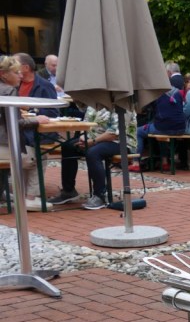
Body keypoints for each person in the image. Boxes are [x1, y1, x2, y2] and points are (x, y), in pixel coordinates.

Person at [51, 104, 138, 210]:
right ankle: (68, 191)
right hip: (95, 139)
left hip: (121, 142)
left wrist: (93, 141)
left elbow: (114, 133)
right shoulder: (94, 103)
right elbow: (86, 125)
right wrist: (83, 138)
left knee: (93, 152)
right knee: (67, 147)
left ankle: (99, 195)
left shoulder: (123, 105)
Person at [0, 56, 48, 211]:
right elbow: (15, 123)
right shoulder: (9, 91)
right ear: (3, 74)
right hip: (4, 147)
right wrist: (37, 120)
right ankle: (30, 198)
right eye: (16, 72)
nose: (20, 76)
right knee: (40, 154)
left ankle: (5, 193)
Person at [132, 87, 187, 171]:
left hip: (163, 127)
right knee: (162, 134)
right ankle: (165, 162)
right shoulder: (178, 93)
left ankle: (135, 163)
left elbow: (144, 108)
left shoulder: (156, 93)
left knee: (138, 132)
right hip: (181, 128)